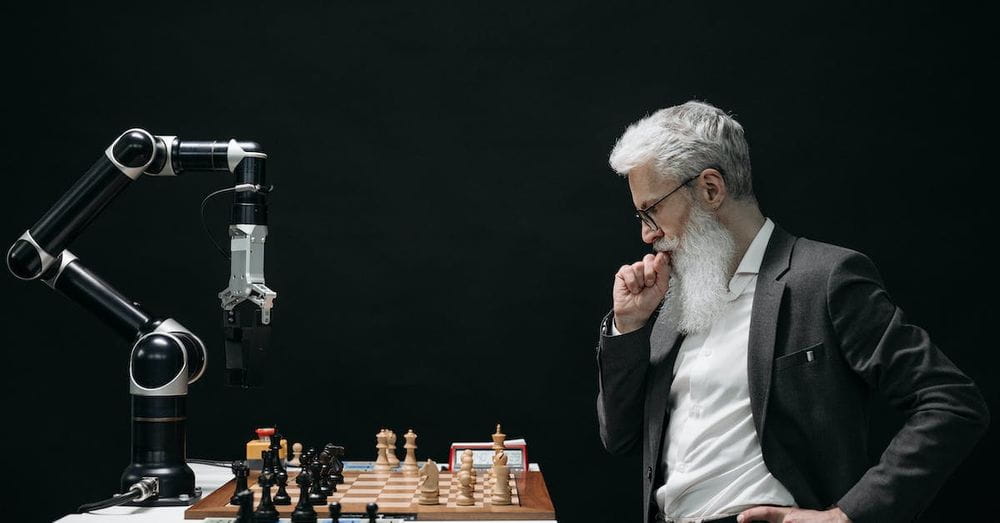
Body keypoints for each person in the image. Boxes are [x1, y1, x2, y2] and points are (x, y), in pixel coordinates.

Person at [595, 101, 989, 523]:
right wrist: (629, 326)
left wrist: (848, 517)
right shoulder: (674, 301)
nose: (646, 233)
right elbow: (619, 438)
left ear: (711, 188)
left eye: (651, 210)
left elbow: (952, 402)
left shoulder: (826, 278)